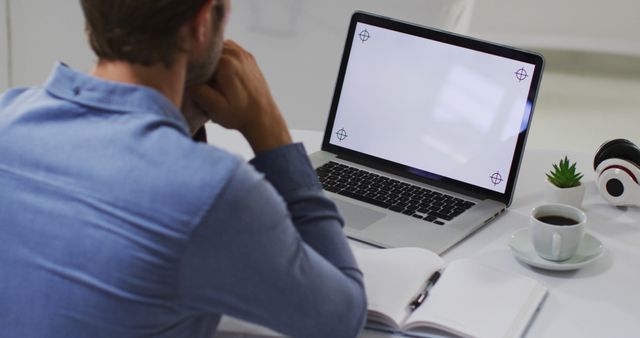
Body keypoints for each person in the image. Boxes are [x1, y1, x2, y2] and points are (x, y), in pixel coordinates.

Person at [0, 0, 367, 337]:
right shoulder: (214, 189)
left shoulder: (7, 115)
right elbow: (340, 319)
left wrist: (177, 123)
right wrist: (270, 131)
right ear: (202, 23)